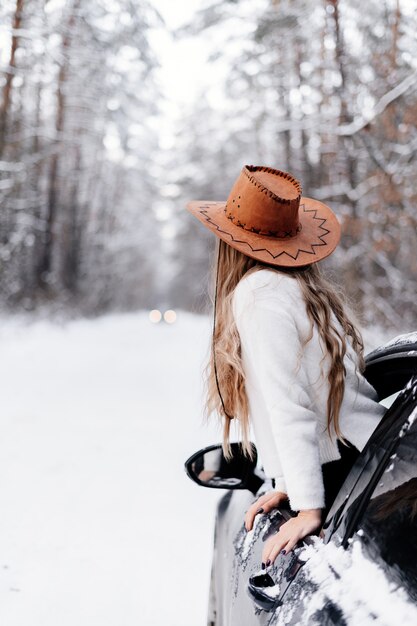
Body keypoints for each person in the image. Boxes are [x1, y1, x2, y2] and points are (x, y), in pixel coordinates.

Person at [186, 165, 386, 568]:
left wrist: (309, 507)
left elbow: (290, 405)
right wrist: (288, 484)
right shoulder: (302, 290)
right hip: (371, 458)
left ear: (231, 243)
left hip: (345, 472)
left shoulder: (258, 294)